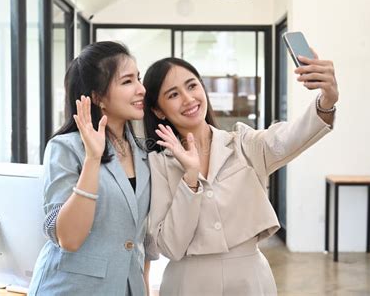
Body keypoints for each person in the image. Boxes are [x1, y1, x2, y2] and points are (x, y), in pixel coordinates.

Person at [143, 53, 338, 295]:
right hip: (187, 284)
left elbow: (290, 137)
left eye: (192, 85)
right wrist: (190, 178)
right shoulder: (158, 164)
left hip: (251, 281)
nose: (188, 98)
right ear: (158, 111)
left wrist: (326, 100)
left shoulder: (244, 143)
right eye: (173, 94)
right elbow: (169, 246)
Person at [28, 41, 155, 295]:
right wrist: (93, 159)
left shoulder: (143, 153)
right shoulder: (66, 147)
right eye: (127, 81)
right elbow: (69, 238)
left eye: (138, 79)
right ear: (97, 97)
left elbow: (140, 240)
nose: (141, 89)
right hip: (71, 289)